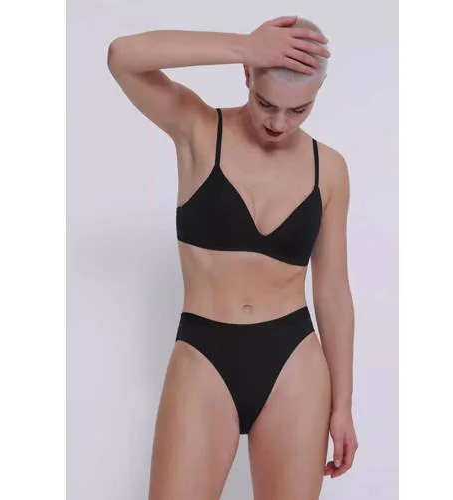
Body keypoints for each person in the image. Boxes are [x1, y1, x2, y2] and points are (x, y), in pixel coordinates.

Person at [107, 15, 358, 500]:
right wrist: (244, 45)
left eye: (298, 110)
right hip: (204, 354)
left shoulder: (328, 169)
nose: (278, 123)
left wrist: (343, 404)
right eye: (266, 103)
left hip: (294, 364)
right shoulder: (199, 130)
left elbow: (332, 292)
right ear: (247, 74)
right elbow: (122, 57)